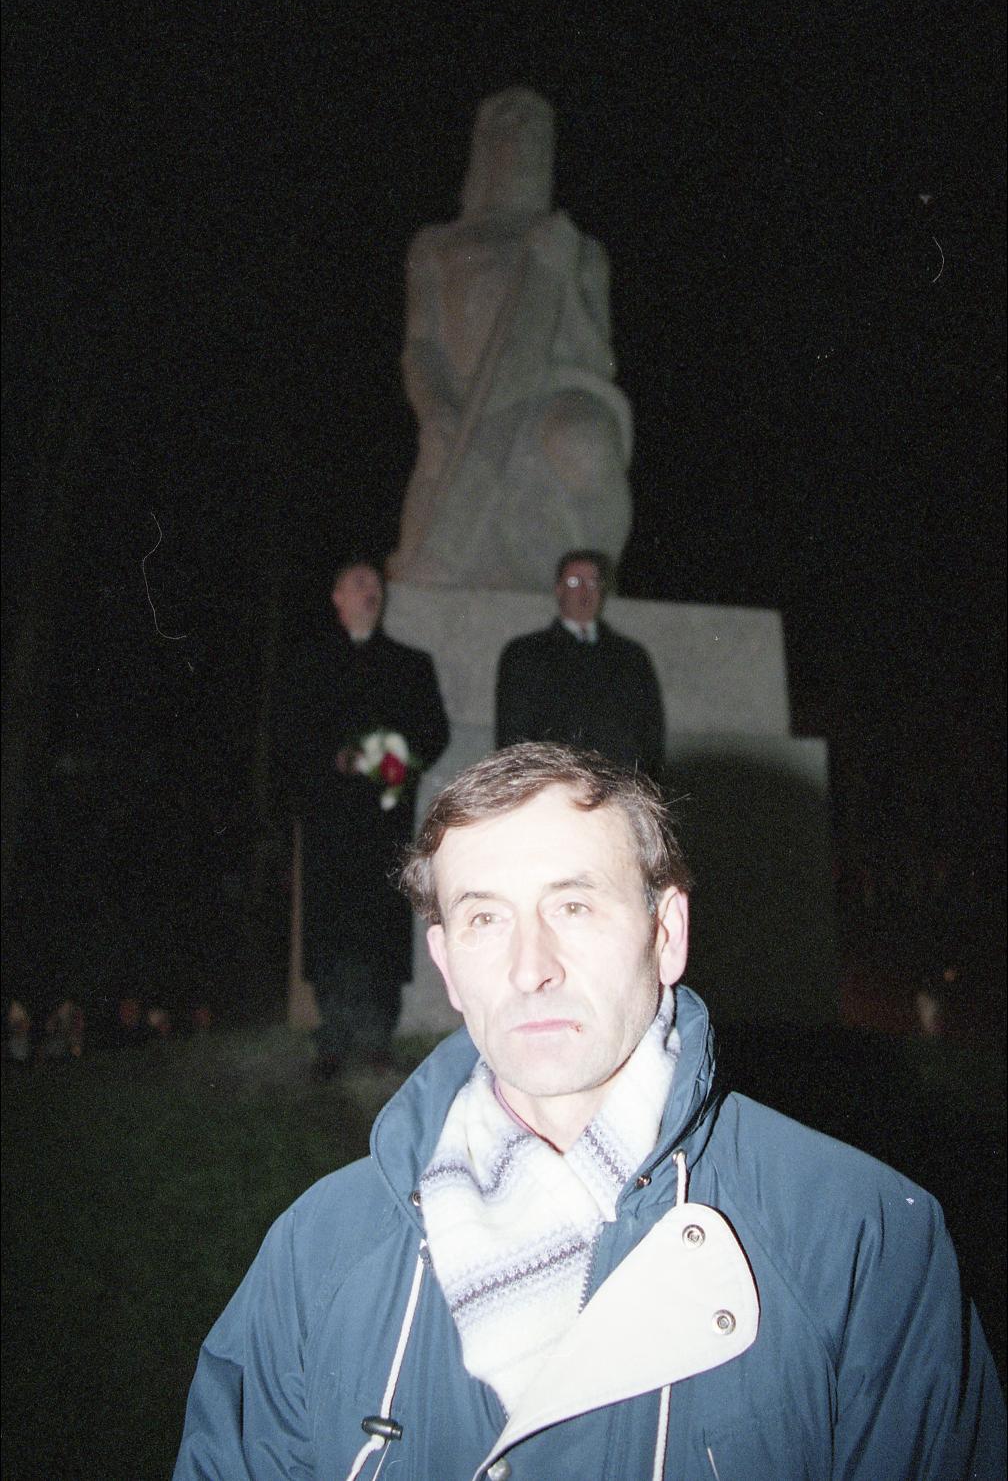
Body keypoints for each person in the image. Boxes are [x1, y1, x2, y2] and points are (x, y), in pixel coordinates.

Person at [174, 743, 1004, 1481]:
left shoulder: (859, 1240)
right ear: (447, 963)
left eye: (573, 905)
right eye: (485, 917)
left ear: (666, 931)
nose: (530, 966)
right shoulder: (315, 1251)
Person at [386, 87, 634, 590]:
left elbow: (599, 358)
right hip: (469, 401)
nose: (524, 141)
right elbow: (422, 348)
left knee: (584, 440)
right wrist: (436, 408)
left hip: (554, 390)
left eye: (537, 131)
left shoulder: (581, 250)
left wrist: (561, 275)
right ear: (485, 145)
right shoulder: (438, 246)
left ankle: (592, 578)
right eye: (510, 127)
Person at [273, 558, 449, 1074]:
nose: (369, 590)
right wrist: (334, 758)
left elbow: (433, 732)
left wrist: (396, 759)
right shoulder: (310, 664)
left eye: (374, 583)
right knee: (330, 925)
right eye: (357, 583)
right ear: (337, 597)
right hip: (329, 817)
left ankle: (377, 1038)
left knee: (381, 925)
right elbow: (291, 734)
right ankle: (332, 1037)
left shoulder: (410, 664)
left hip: (383, 819)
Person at [495, 549, 665, 776]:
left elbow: (650, 732)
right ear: (559, 589)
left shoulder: (631, 656)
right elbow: (513, 733)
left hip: (618, 780)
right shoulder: (525, 653)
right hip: (554, 780)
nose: (585, 591)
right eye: (575, 582)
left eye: (593, 583)